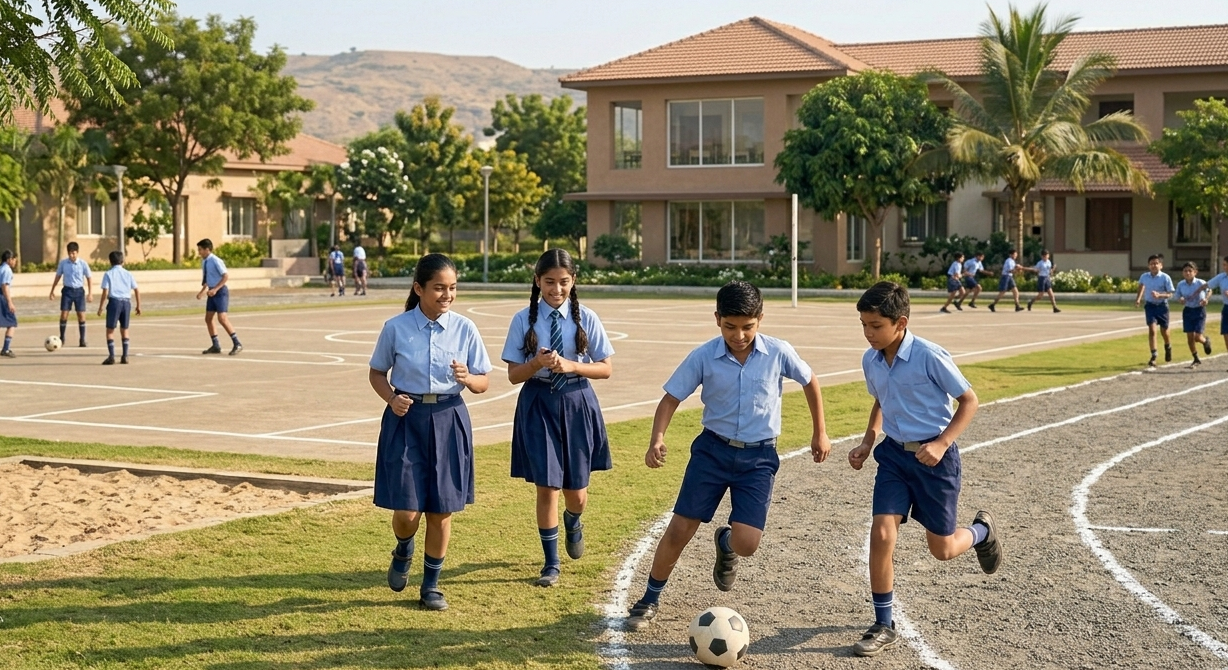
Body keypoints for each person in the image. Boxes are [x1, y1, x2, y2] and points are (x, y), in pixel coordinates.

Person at [626, 280, 832, 630]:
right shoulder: (704, 356)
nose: (739, 335)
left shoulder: (779, 352)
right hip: (712, 452)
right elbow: (671, 398)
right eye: (730, 326)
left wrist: (820, 431)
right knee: (680, 529)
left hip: (758, 459)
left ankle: (726, 541)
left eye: (747, 327)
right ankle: (649, 598)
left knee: (747, 544)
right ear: (717, 319)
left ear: (760, 319)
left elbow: (810, 381)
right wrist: (657, 438)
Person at [846, 281, 1001, 657]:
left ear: (900, 323)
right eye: (864, 325)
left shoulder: (930, 356)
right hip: (894, 458)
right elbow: (881, 400)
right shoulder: (872, 359)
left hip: (935, 461)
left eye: (876, 326)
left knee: (942, 549)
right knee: (881, 534)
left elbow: (969, 400)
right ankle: (884, 623)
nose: (869, 333)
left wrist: (941, 443)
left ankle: (982, 531)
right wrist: (868, 441)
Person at [369, 253, 492, 612]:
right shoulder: (396, 327)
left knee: (441, 510)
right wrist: (392, 399)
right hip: (406, 420)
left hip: (449, 419)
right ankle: (403, 547)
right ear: (419, 288)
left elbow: (483, 381)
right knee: (407, 512)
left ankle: (432, 585)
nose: (447, 295)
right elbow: (377, 372)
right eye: (439, 288)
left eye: (452, 288)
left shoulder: (465, 329)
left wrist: (468, 378)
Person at [502, 249, 615, 587]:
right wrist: (536, 363)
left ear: (573, 281)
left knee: (576, 493)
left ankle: (574, 520)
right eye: (549, 282)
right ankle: (551, 564)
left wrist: (571, 365)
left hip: (577, 402)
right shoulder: (524, 319)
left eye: (563, 282)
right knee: (547, 485)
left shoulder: (587, 318)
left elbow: (606, 368)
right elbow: (512, 375)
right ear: (537, 281)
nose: (556, 289)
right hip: (537, 404)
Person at [195, 239, 242, 356]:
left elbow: (225, 276)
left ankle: (237, 343)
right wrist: (202, 291)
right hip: (211, 292)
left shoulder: (216, 260)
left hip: (220, 292)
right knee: (208, 319)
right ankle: (216, 345)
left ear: (207, 249)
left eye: (200, 250)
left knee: (222, 318)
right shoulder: (204, 262)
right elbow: (208, 279)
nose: (199, 252)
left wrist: (215, 289)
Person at [96, 251, 141, 365]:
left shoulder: (108, 274)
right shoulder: (128, 274)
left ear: (110, 262)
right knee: (124, 330)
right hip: (126, 303)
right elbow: (136, 289)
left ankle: (111, 356)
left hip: (114, 302)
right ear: (123, 261)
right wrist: (138, 305)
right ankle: (125, 356)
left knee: (110, 330)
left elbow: (105, 291)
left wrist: (101, 307)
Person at [1134, 254, 1175, 368]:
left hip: (1162, 307)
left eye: (1156, 263)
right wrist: (1138, 299)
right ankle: (1154, 355)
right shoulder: (1144, 276)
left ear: (1161, 265)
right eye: (1152, 264)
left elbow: (1170, 293)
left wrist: (1160, 295)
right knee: (1152, 330)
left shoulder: (1165, 277)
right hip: (1150, 306)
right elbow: (1141, 286)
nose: (1154, 265)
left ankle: (1168, 346)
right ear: (1148, 266)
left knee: (1164, 331)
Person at [48, 241, 93, 347]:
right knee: (64, 314)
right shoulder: (63, 263)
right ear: (68, 253)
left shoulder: (82, 263)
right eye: (70, 253)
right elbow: (58, 276)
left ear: (77, 252)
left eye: (74, 253)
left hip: (79, 291)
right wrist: (52, 290)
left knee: (81, 315)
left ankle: (82, 339)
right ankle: (62, 337)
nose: (72, 255)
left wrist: (90, 293)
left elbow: (89, 277)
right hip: (67, 291)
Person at [1173, 261, 1212, 369]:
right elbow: (1177, 295)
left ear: (1195, 272)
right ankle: (1195, 358)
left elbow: (1209, 290)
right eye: (1185, 271)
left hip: (1199, 310)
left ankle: (1205, 341)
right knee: (1190, 337)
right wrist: (1180, 299)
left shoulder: (1200, 283)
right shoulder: (1181, 284)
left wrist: (1206, 299)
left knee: (1197, 337)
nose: (1187, 273)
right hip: (1188, 311)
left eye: (1190, 271)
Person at [1205, 255, 1228, 371]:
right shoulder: (1222, 277)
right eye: (1224, 264)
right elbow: (1208, 285)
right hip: (1226, 308)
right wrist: (1195, 290)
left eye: (1225, 264)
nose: (1224, 267)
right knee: (1226, 334)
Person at [0, 250, 16, 358]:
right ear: (9, 259)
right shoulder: (7, 270)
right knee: (12, 323)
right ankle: (5, 349)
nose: (15, 262)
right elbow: (5, 286)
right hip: (2, 298)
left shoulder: (1, 268)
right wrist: (9, 302)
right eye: (14, 260)